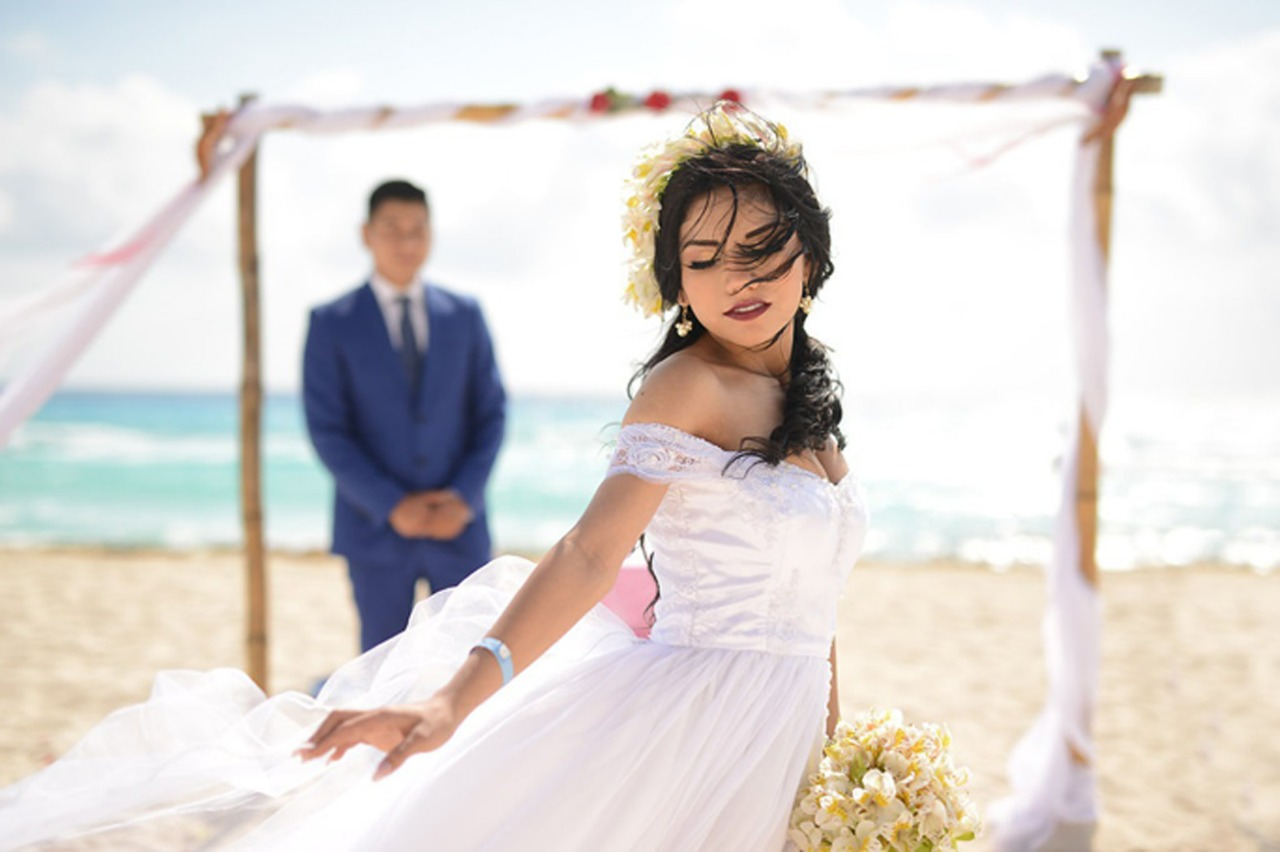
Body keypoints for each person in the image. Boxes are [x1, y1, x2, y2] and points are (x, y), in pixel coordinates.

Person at [0, 103, 867, 850]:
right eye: (705, 256)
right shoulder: (689, 388)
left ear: (811, 252)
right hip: (689, 729)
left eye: (762, 246)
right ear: (675, 282)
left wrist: (830, 752)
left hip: (779, 738)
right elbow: (587, 555)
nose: (738, 278)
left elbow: (816, 607)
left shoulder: (812, 395)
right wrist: (451, 704)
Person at [303, 179, 507, 652]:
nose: (406, 242)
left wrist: (463, 498)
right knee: (381, 666)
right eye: (392, 228)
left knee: (467, 661)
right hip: (374, 531)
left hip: (459, 526)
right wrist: (392, 504)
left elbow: (491, 415)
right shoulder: (332, 322)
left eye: (418, 229)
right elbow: (328, 429)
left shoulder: (464, 314)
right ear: (366, 234)